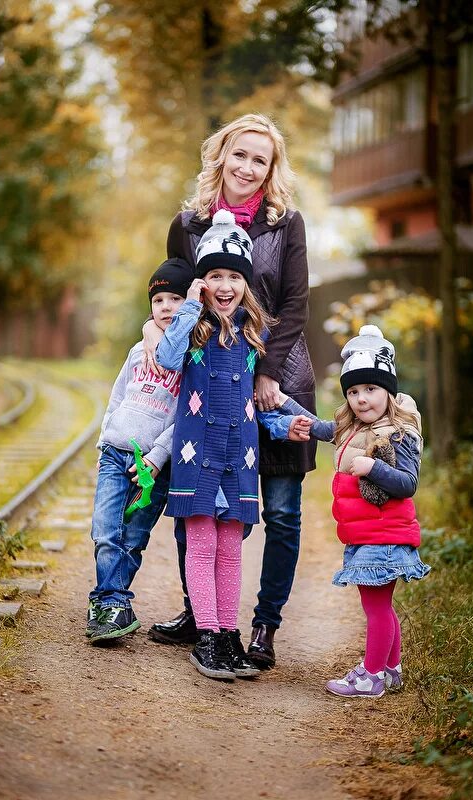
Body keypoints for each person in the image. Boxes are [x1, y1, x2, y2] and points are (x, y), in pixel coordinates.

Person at [146, 113, 316, 668]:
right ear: (220, 155)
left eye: (259, 159)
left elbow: (294, 304)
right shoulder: (187, 224)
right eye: (238, 154)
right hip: (202, 380)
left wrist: (267, 370)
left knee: (283, 512)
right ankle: (204, 617)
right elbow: (172, 293)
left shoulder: (285, 223)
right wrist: (155, 338)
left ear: (272, 169)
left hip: (277, 375)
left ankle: (262, 626)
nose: (247, 167)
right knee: (195, 497)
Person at [155, 210, 301, 681]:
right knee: (200, 548)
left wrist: (287, 429)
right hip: (198, 460)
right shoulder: (192, 330)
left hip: (238, 461)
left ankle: (226, 631)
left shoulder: (249, 335)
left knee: (232, 550)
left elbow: (255, 409)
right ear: (201, 281)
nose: (224, 284)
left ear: (246, 283)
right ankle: (208, 638)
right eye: (213, 275)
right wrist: (190, 306)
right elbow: (166, 357)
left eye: (233, 276)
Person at [262, 324, 431, 697]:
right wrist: (286, 404)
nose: (361, 398)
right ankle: (390, 669)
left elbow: (408, 483)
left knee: (376, 609)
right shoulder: (352, 429)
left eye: (370, 389)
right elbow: (321, 427)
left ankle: (371, 676)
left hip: (383, 536)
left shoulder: (396, 434)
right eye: (353, 391)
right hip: (367, 535)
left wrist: (374, 468)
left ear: (388, 391)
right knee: (380, 606)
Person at [86, 258, 194, 644]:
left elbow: (185, 417)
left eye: (176, 299)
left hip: (154, 466)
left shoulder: (191, 359)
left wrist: (157, 456)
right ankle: (112, 601)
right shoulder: (137, 351)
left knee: (133, 537)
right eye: (159, 299)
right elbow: (117, 399)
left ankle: (109, 604)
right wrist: (103, 441)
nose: (166, 307)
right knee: (104, 531)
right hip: (117, 453)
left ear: (192, 304)